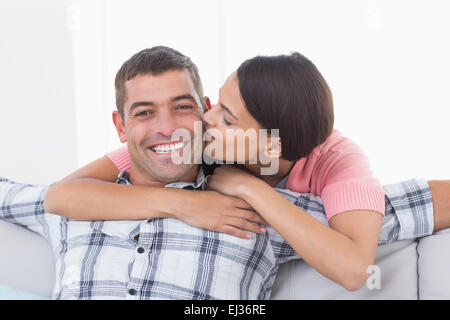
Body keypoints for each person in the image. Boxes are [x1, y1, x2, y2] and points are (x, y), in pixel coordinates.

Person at [0, 47, 445, 299]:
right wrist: (183, 202)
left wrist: (246, 188)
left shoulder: (286, 195)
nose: (172, 127)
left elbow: (365, 250)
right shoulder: (153, 159)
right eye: (144, 113)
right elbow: (57, 195)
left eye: (187, 109)